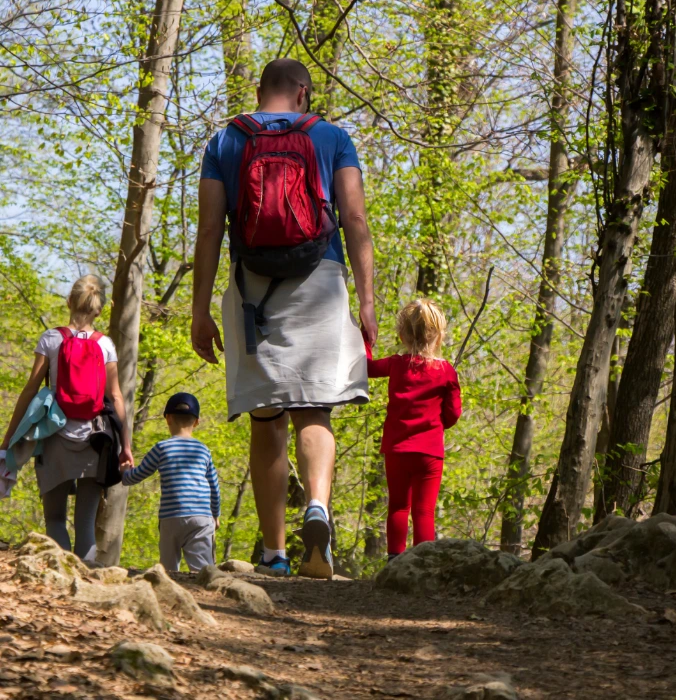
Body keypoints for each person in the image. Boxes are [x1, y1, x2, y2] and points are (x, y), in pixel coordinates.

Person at [191, 58, 377, 579]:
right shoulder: (332, 137)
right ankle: (317, 506)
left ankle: (274, 553)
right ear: (302, 93)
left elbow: (210, 229)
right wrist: (366, 301)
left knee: (266, 419)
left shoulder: (227, 141)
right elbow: (355, 217)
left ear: (260, 91)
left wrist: (200, 310)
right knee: (315, 411)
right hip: (320, 279)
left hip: (255, 290)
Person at [0, 275, 134, 562]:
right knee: (85, 524)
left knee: (56, 520)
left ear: (69, 302)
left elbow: (30, 390)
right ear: (99, 309)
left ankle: (64, 581)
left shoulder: (51, 339)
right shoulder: (105, 345)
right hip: (95, 441)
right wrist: (126, 446)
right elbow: (116, 397)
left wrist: (9, 436)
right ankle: (86, 583)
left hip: (54, 438)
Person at [364, 299, 461, 559]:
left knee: (397, 506)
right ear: (440, 336)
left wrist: (365, 339)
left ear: (402, 335)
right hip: (429, 452)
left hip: (397, 449)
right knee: (424, 511)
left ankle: (395, 558)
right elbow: (453, 414)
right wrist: (437, 425)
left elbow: (367, 368)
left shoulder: (396, 364)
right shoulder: (446, 371)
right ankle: (422, 562)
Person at [120, 392, 220, 573]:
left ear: (168, 419)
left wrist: (125, 472)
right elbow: (214, 486)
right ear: (197, 422)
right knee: (203, 571)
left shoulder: (162, 448)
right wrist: (216, 514)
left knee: (168, 570)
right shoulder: (203, 450)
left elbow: (136, 476)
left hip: (171, 516)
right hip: (201, 517)